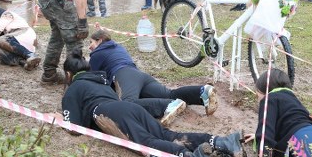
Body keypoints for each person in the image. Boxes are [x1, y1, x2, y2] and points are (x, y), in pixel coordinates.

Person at [61, 50, 246, 157]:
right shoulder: (101, 82)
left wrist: (60, 118)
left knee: (147, 144)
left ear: (69, 74)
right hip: (129, 107)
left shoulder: (73, 89)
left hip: (108, 112)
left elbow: (74, 128)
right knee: (168, 136)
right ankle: (220, 142)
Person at [88, 30, 217, 123]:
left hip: (124, 74)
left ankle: (168, 106)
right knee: (169, 93)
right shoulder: (117, 47)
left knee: (127, 102)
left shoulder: (97, 54)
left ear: (100, 40)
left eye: (91, 42)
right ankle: (202, 92)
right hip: (139, 75)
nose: (89, 46)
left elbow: (94, 78)